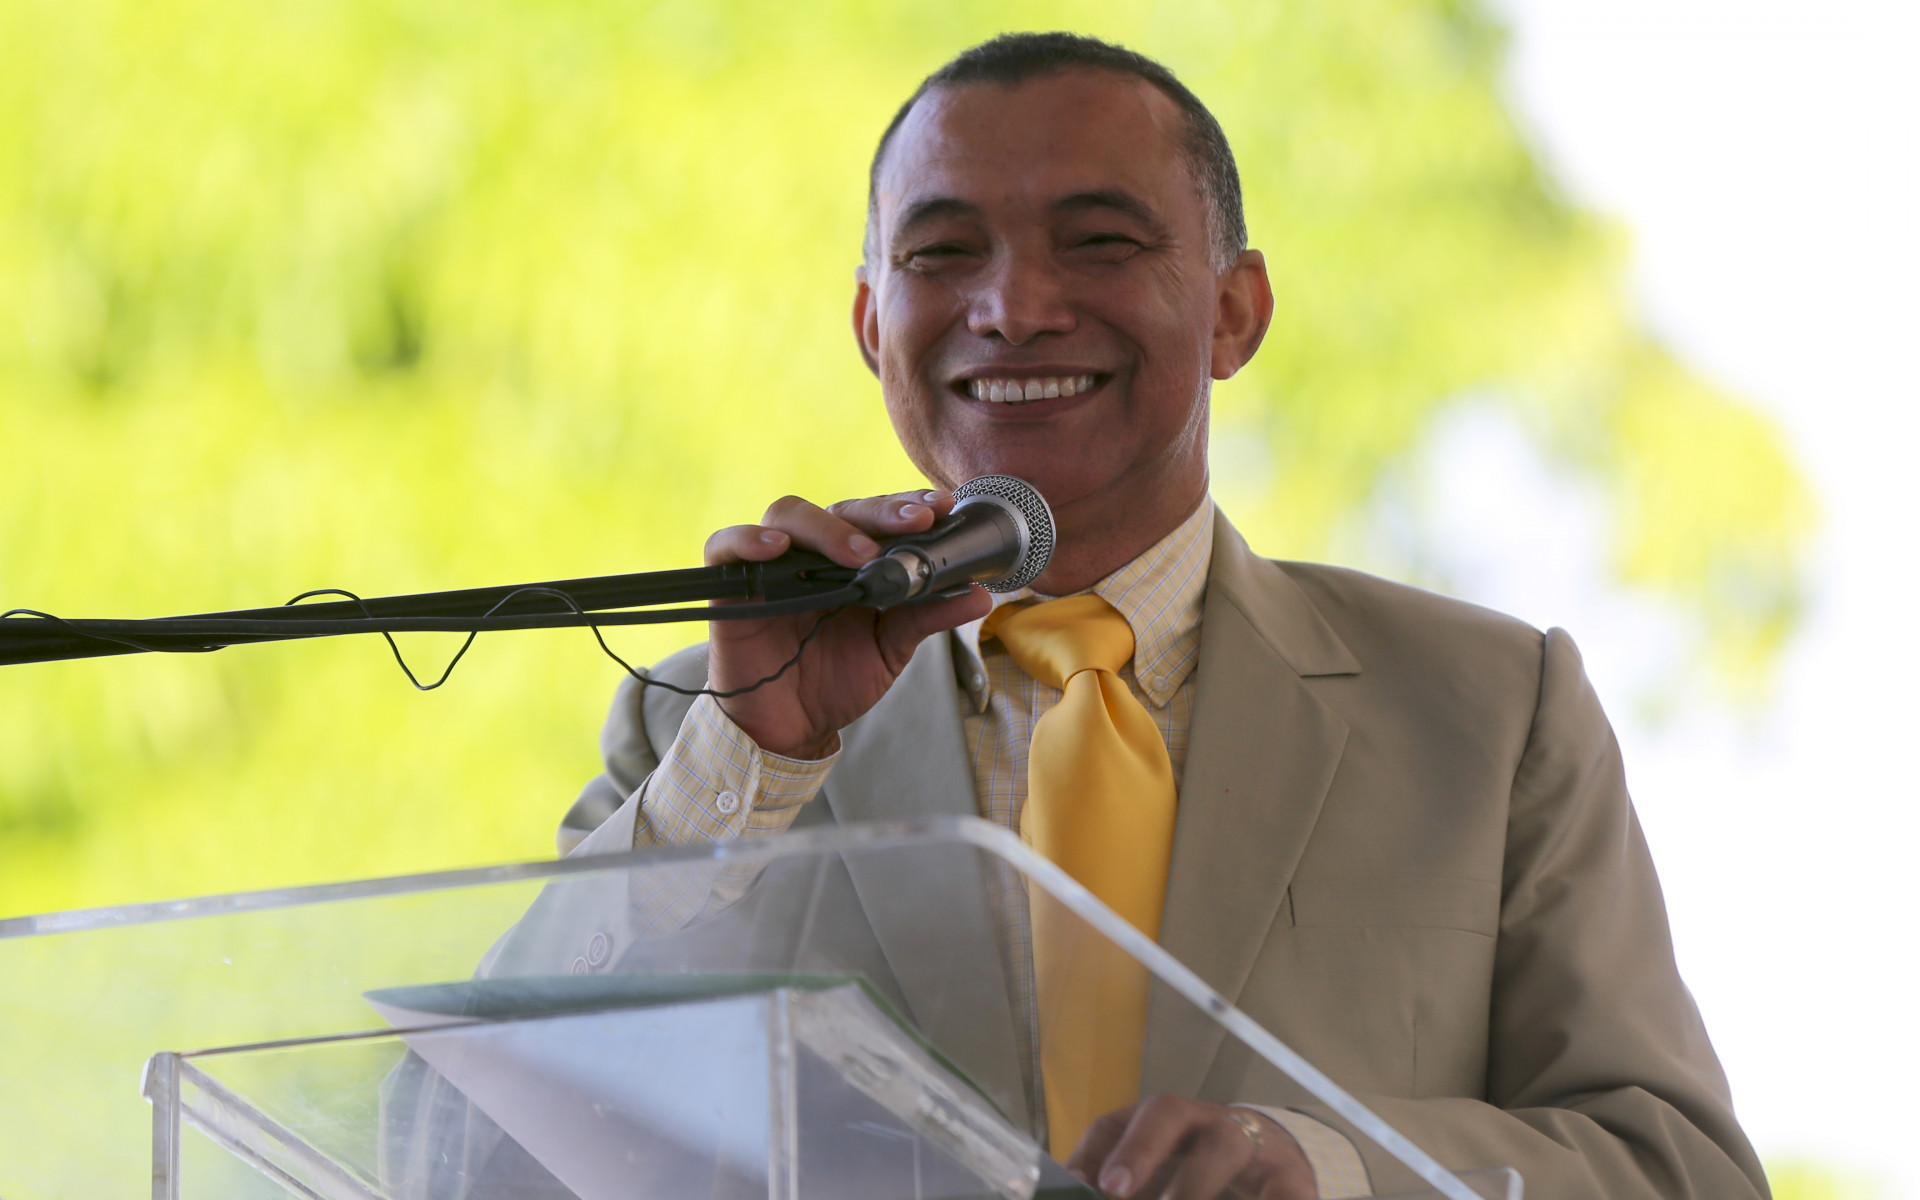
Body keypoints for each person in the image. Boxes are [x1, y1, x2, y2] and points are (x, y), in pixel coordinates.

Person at [558, 33, 1768, 1200]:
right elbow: (491, 1125)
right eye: (942, 253)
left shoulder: (1492, 714)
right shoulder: (703, 726)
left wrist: (1324, 1170)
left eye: (1099, 242)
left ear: (1236, 312)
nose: (1013, 306)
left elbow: (1681, 1174)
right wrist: (752, 754)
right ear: (874, 327)